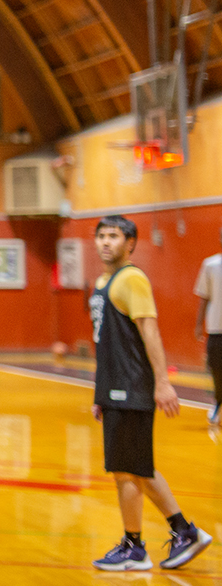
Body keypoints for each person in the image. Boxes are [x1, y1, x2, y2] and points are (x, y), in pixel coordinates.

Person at [88, 214, 211, 571]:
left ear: (130, 244)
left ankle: (134, 546)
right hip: (113, 386)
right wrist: (100, 392)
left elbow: (150, 333)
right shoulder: (102, 281)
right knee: (137, 467)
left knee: (126, 470)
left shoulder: (132, 279)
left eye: (114, 236)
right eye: (101, 236)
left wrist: (162, 382)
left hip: (132, 385)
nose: (105, 242)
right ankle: (183, 532)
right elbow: (106, 341)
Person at [193, 228, 222, 426]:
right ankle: (218, 403)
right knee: (217, 370)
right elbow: (204, 297)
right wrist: (198, 324)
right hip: (216, 329)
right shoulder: (210, 265)